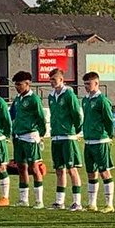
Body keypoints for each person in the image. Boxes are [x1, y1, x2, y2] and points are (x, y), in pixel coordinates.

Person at [46, 68, 83, 211]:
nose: (52, 82)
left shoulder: (69, 94)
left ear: (61, 80)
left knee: (72, 169)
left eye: (54, 79)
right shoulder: (51, 96)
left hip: (68, 137)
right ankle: (59, 201)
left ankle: (77, 202)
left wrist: (75, 130)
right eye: (50, 80)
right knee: (59, 170)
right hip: (56, 136)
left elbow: (77, 113)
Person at [80, 72, 115, 212]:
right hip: (88, 141)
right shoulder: (85, 100)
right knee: (91, 173)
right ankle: (92, 204)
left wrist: (109, 136)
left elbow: (109, 120)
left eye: (88, 83)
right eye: (85, 84)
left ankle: (109, 204)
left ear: (96, 83)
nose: (86, 86)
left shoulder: (102, 100)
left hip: (100, 141)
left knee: (104, 172)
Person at [10, 72, 46, 208]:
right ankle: (23, 200)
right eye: (16, 85)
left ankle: (39, 201)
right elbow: (12, 115)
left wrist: (41, 134)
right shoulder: (18, 99)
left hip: (30, 137)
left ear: (27, 83)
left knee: (34, 167)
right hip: (18, 136)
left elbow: (41, 117)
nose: (17, 87)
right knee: (21, 167)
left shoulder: (34, 99)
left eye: (19, 84)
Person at [0, 87, 11, 206]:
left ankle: (5, 197)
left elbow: (7, 120)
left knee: (1, 167)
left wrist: (5, 135)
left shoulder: (0, 102)